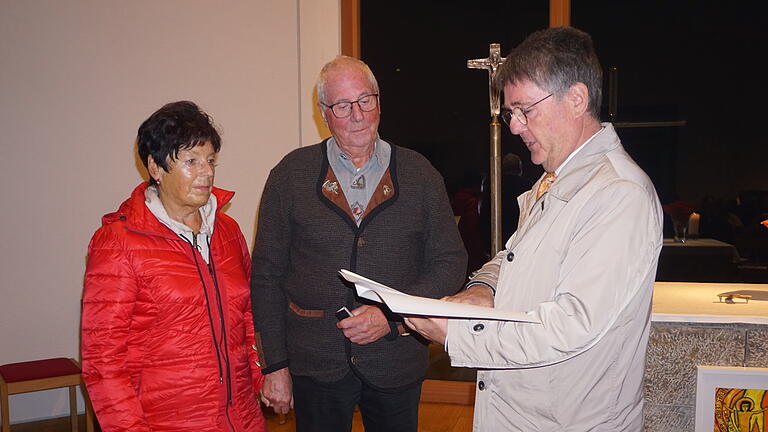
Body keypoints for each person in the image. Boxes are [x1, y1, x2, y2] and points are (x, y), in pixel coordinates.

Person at [404, 26, 663, 431]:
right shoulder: (555, 181)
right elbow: (514, 259)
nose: (514, 126)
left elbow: (571, 324)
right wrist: (481, 290)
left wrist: (457, 335)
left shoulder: (618, 193)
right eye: (512, 113)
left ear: (576, 98)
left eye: (525, 109)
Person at [250, 56, 467, 432]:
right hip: (315, 364)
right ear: (323, 113)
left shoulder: (420, 175)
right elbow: (266, 276)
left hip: (396, 361)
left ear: (379, 102)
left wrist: (390, 314)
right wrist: (275, 366)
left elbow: (450, 261)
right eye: (342, 106)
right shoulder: (290, 176)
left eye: (366, 100)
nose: (357, 115)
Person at [81, 101, 266, 432]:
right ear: (155, 167)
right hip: (166, 421)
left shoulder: (227, 232)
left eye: (210, 160)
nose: (207, 172)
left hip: (242, 418)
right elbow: (103, 362)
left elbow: (248, 316)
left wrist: (258, 376)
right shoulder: (118, 242)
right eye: (191, 161)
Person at [452, 168, 488, 276]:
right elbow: (473, 228)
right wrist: (481, 252)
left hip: (457, 245)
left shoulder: (456, 199)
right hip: (471, 249)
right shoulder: (472, 202)